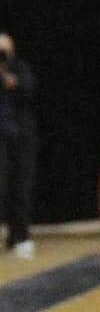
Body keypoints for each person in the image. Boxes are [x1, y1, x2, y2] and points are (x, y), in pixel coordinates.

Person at [0, 34, 36, 258]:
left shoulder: (20, 68)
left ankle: (20, 236)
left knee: (21, 185)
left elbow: (29, 90)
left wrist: (11, 80)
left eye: (4, 50)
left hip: (20, 137)